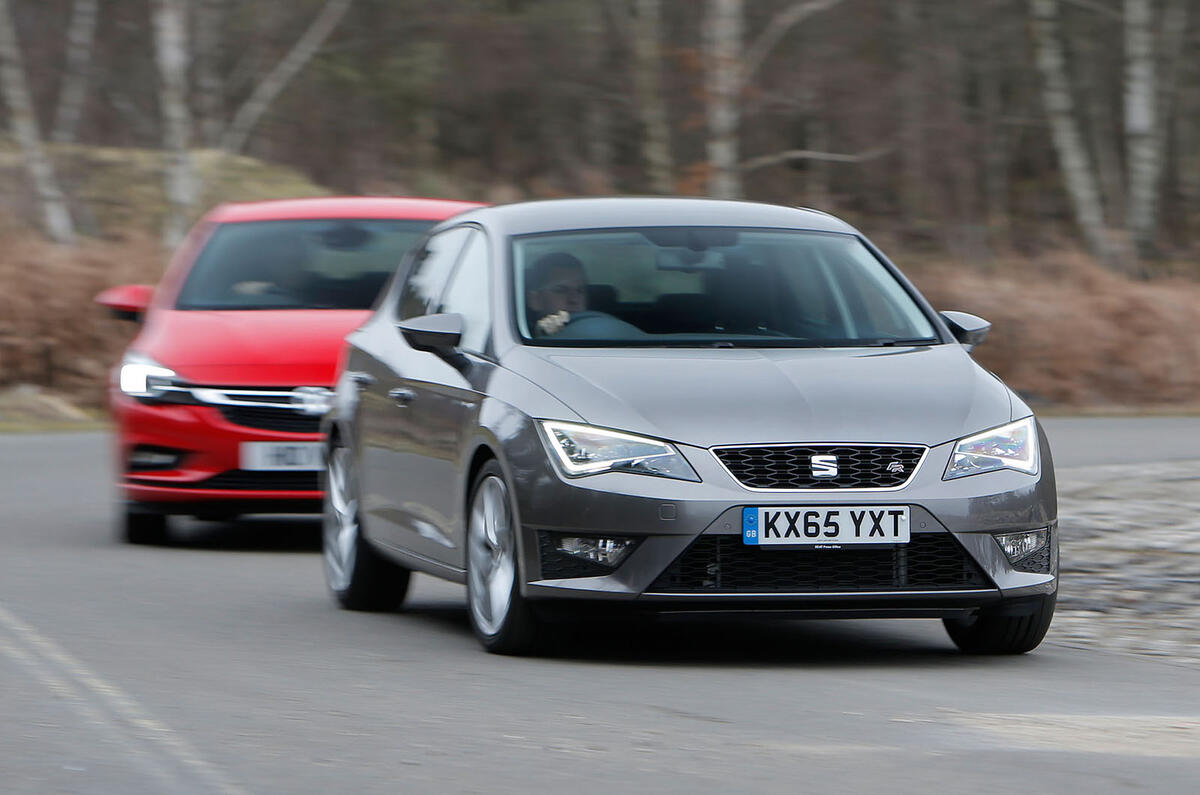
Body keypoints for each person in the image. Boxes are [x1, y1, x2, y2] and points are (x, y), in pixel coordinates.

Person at [526, 252, 588, 335]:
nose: (574, 299)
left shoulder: (602, 328)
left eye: (580, 290)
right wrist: (540, 336)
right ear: (535, 300)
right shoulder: (517, 339)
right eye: (561, 290)